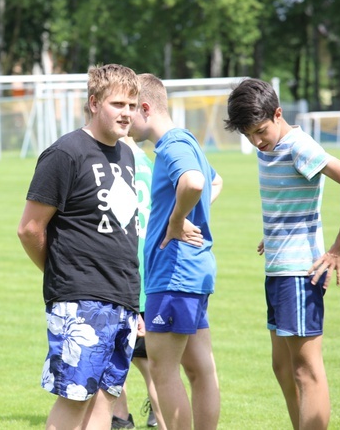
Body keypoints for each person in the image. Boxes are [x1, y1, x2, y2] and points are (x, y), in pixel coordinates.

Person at [224, 78, 340, 430]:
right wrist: (274, 231)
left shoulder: (297, 145)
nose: (257, 142)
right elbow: (292, 195)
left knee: (306, 370)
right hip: (277, 268)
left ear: (278, 114)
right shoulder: (271, 147)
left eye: (260, 131)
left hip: (297, 274)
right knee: (282, 367)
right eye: (248, 135)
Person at [17, 64, 141, 430]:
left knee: (106, 404)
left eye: (132, 105)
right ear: (93, 103)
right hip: (81, 301)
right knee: (74, 402)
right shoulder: (65, 154)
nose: (127, 113)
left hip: (123, 298)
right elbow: (29, 229)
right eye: (117, 103)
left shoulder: (127, 155)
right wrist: (64, 274)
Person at [133, 73, 223, 430]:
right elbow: (216, 180)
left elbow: (196, 182)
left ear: (145, 107)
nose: (125, 120)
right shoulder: (189, 142)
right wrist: (192, 212)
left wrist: (176, 220)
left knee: (162, 370)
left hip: (172, 273)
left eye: (129, 109)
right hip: (194, 271)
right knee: (200, 370)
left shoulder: (171, 146)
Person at [112, 136, 166, 429]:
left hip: (122, 271)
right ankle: (158, 414)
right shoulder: (150, 162)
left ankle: (119, 418)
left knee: (111, 354)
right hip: (151, 271)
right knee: (150, 361)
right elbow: (215, 181)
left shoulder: (113, 163)